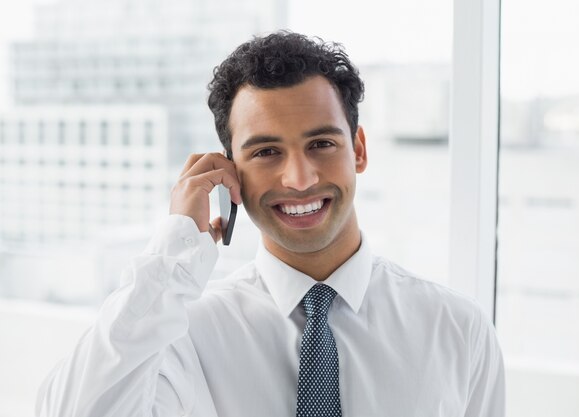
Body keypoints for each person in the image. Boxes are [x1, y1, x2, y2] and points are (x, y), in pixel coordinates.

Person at [36, 31, 505, 417]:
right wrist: (172, 251)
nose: (299, 178)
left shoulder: (457, 329)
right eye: (266, 152)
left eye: (321, 143)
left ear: (358, 149)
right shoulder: (181, 333)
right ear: (228, 168)